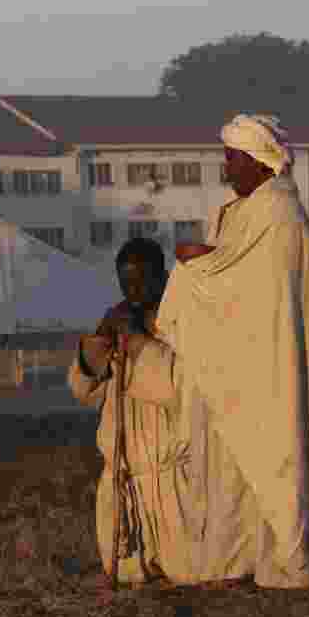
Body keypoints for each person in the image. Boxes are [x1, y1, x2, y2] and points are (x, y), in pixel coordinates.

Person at [147, 113, 309, 589]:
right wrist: (207, 262)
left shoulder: (277, 211)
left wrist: (199, 266)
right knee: (239, 466)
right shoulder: (249, 209)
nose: (227, 169)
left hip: (272, 364)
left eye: (233, 159)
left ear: (260, 161)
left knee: (276, 459)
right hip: (247, 361)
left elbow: (246, 287)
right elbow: (237, 280)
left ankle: (289, 566)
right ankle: (246, 563)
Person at [69, 237, 200, 585]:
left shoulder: (183, 321)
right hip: (125, 480)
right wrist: (101, 340)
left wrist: (139, 342)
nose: (134, 290)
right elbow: (83, 390)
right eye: (126, 282)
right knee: (126, 575)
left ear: (162, 276)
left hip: (173, 479)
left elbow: (179, 387)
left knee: (190, 576)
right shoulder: (117, 322)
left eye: (143, 280)